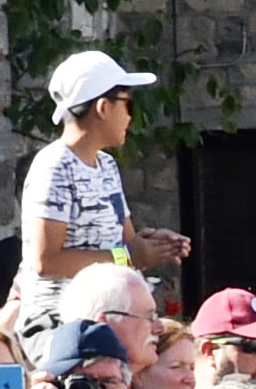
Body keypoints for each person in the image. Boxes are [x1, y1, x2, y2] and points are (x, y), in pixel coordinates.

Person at [16, 49, 181, 322]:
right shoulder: (54, 165)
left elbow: (126, 242)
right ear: (103, 107)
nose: (131, 117)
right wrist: (126, 257)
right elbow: (47, 261)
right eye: (129, 105)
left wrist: (154, 245)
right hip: (59, 321)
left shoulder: (107, 165)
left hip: (106, 317)